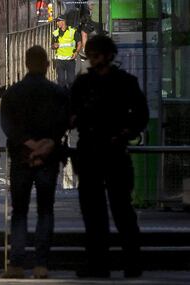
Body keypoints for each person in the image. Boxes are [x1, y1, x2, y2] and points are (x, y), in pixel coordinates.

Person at [70, 35, 149, 278]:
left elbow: (140, 116)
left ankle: (105, 263)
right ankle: (125, 263)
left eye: (95, 55)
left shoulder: (87, 84)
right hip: (107, 152)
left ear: (106, 56)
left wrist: (125, 131)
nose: (93, 60)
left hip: (100, 151)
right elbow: (140, 115)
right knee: (110, 211)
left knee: (112, 211)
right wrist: (127, 131)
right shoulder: (124, 82)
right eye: (91, 56)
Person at [1, 46, 69, 279]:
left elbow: (8, 126)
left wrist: (29, 144)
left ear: (26, 63)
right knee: (45, 210)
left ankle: (16, 264)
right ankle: (41, 264)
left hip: (21, 158)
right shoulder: (57, 92)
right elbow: (64, 121)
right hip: (48, 158)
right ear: (47, 64)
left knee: (19, 211)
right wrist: (47, 144)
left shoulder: (13, 93)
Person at [52, 14, 82, 88]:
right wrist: (54, 46)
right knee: (61, 81)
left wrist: (76, 52)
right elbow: (52, 46)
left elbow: (79, 43)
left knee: (71, 81)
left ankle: (70, 95)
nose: (57, 23)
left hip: (70, 60)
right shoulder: (55, 33)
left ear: (63, 21)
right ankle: (63, 96)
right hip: (60, 60)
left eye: (58, 21)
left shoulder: (73, 32)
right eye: (57, 22)